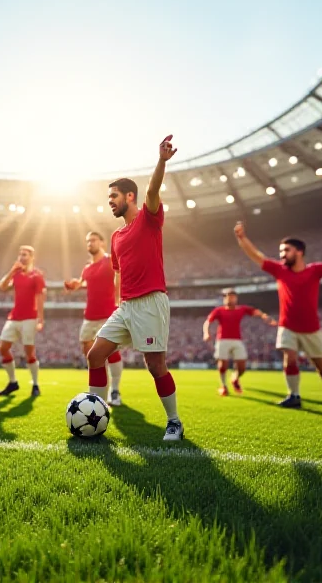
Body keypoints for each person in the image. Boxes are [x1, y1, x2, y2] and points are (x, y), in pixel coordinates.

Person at [86, 135, 183, 441]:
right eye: (108, 198)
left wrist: (161, 161)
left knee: (155, 365)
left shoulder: (148, 219)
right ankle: (95, 412)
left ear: (130, 196)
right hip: (126, 307)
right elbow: (118, 273)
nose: (110, 201)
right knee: (95, 355)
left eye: (114, 196)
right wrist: (118, 302)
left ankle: (174, 422)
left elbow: (153, 190)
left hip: (151, 302)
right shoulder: (115, 238)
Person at [234, 222, 322, 410]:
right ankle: (294, 395)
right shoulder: (280, 270)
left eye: (286, 250)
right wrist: (242, 238)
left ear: (299, 252)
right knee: (289, 358)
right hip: (287, 325)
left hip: (311, 327)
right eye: (281, 251)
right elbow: (257, 256)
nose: (282, 255)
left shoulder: (315, 270)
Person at [64, 231, 123, 406]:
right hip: (89, 315)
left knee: (111, 352)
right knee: (89, 352)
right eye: (88, 241)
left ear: (102, 243)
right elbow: (81, 283)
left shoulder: (110, 260)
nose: (90, 243)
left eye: (94, 240)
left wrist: (119, 301)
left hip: (108, 313)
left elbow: (120, 277)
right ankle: (99, 388)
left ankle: (115, 391)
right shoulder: (87, 268)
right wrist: (74, 285)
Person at [203, 288, 276, 396]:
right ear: (224, 299)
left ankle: (235, 378)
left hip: (237, 340)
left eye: (232, 296)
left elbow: (256, 312)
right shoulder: (219, 310)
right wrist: (206, 333)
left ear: (236, 298)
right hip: (222, 340)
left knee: (242, 366)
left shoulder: (241, 309)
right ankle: (224, 386)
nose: (230, 299)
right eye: (228, 296)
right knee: (223, 364)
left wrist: (265, 316)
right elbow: (208, 321)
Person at [0, 245, 46, 397]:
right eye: (20, 255)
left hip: (30, 318)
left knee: (29, 353)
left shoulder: (37, 275)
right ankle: (13, 383)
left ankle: (35, 385)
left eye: (25, 255)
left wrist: (40, 319)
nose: (22, 257)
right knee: (3, 348)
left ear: (32, 257)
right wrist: (11, 271)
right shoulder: (16, 274)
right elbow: (2, 287)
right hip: (14, 317)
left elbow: (40, 298)